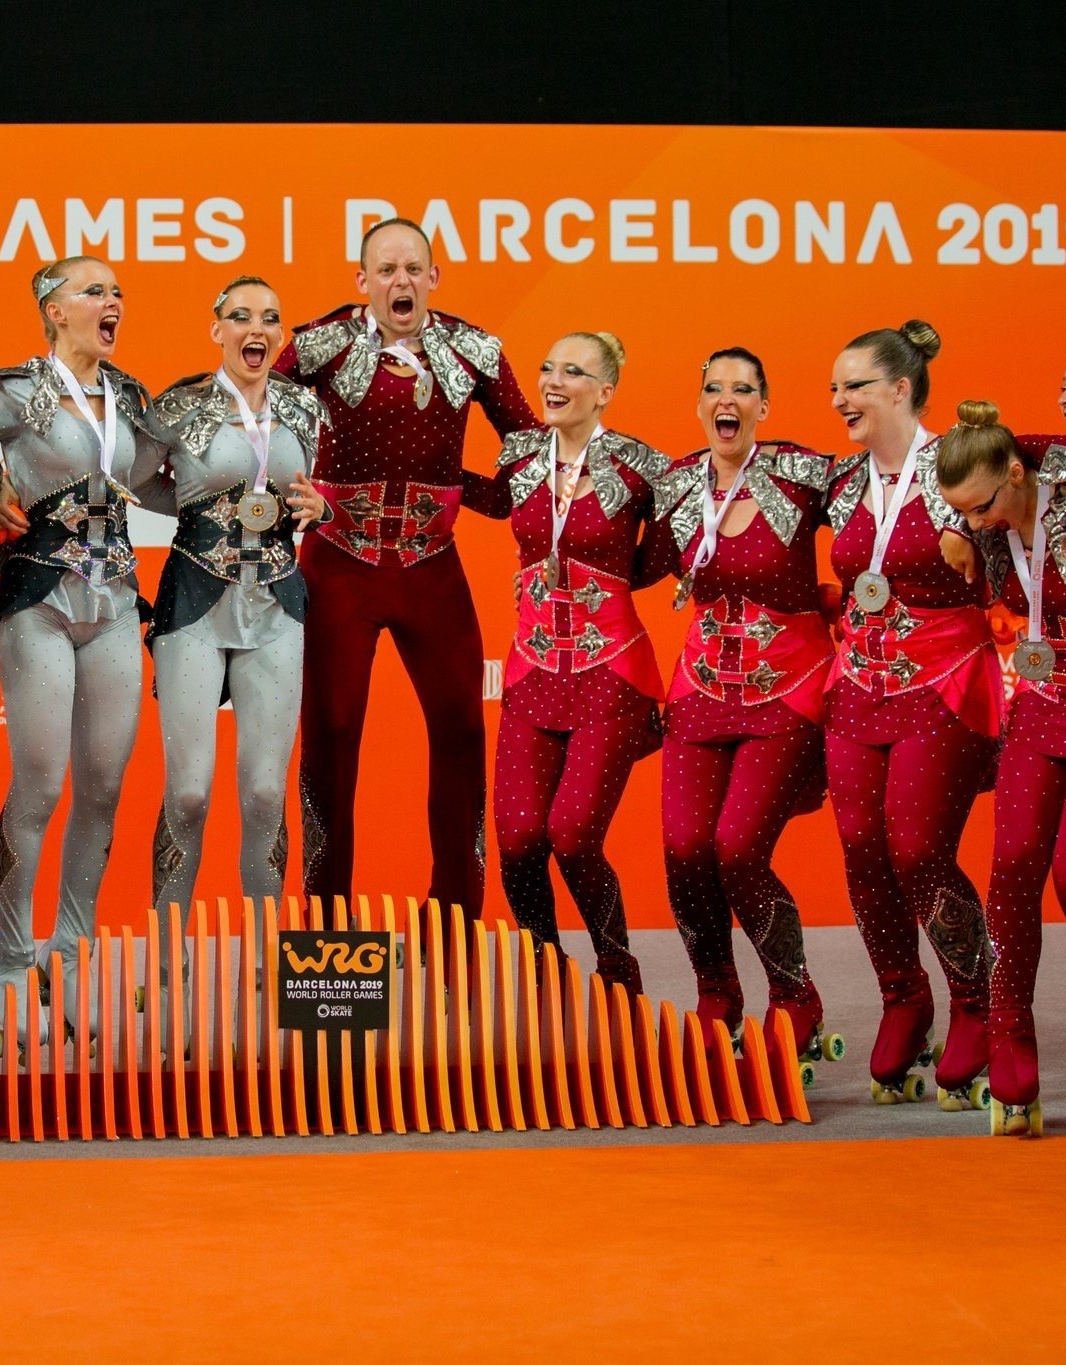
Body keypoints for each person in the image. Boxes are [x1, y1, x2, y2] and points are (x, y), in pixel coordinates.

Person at [275, 217, 537, 926]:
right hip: (339, 566)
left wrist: (462, 491)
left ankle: (454, 915)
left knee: (460, 731)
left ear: (434, 277)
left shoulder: (475, 350)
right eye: (386, 269)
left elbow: (532, 458)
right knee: (331, 736)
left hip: (432, 567)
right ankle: (326, 923)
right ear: (362, 281)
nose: (402, 281)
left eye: (414, 268)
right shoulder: (319, 344)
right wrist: (293, 495)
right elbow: (253, 424)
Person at [0, 257, 169, 1037]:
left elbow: (163, 484)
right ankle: (10, 954)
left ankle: (73, 947)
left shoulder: (129, 397)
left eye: (116, 291)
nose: (112, 301)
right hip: (40, 601)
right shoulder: (16, 388)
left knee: (102, 786)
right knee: (41, 784)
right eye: (94, 291)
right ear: (54, 312)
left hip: (116, 599)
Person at [937, 399, 1066, 1135]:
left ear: (1019, 473)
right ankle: (1008, 1030)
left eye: (986, 505)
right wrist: (956, 523)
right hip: (1040, 699)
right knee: (1014, 862)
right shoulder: (983, 514)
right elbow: (951, 487)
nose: (982, 521)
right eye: (968, 512)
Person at [823, 321, 999, 1108]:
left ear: (901, 388)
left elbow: (1022, 540)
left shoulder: (960, 462)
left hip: (942, 679)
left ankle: (978, 1001)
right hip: (857, 684)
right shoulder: (839, 480)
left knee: (918, 844)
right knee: (862, 847)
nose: (839, 399)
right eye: (834, 387)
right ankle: (904, 997)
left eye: (855, 384)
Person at [144, 277, 327, 992]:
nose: (258, 328)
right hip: (194, 602)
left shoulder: (304, 407)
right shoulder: (182, 404)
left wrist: (317, 503)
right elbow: (133, 480)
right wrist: (194, 501)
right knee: (188, 792)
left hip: (277, 604)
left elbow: (312, 492)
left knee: (262, 793)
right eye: (241, 316)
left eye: (271, 318)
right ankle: (166, 954)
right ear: (215, 327)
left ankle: (266, 954)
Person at [651, 348, 834, 1062]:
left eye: (743, 389)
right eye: (713, 389)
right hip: (701, 688)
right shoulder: (674, 485)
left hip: (786, 687)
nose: (726, 400)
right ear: (699, 404)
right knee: (684, 849)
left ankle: (795, 995)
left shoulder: (799, 474)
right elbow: (633, 554)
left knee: (737, 848)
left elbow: (884, 505)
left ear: (765, 404)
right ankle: (716, 996)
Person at [482, 332, 668, 991]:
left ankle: (618, 968)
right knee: (518, 839)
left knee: (574, 834)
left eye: (574, 371)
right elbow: (494, 502)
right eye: (547, 365)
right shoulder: (522, 457)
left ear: (605, 391)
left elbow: (678, 540)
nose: (554, 380)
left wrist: (610, 582)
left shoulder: (640, 467)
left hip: (610, 675)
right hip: (532, 672)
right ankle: (544, 967)